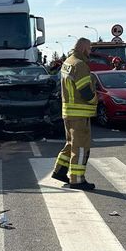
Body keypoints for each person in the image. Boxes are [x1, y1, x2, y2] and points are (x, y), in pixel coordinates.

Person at [51, 37, 98, 190]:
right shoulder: (80, 65)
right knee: (81, 147)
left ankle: (60, 170)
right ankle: (77, 180)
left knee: (71, 144)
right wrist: (95, 100)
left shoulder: (67, 62)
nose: (90, 52)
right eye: (90, 49)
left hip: (68, 112)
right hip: (79, 114)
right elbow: (85, 91)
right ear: (84, 49)